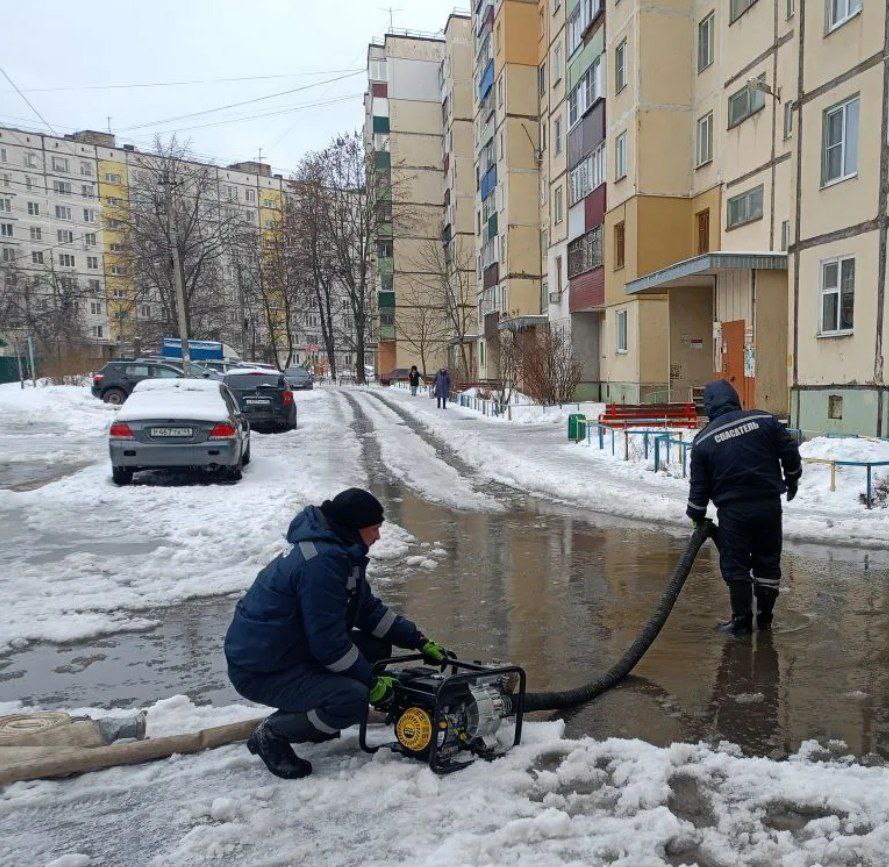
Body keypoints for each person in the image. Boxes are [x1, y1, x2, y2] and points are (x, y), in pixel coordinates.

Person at [224, 488, 452, 779]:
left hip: (287, 650)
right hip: (262, 669)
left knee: (375, 649)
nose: (378, 537)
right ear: (355, 528)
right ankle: (271, 734)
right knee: (352, 699)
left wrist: (418, 640)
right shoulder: (322, 563)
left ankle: (315, 719)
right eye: (374, 529)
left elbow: (368, 611)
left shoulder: (338, 550)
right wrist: (371, 684)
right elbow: (329, 645)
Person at [686, 380, 802, 635]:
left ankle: (741, 621)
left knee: (735, 564)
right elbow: (789, 450)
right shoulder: (764, 420)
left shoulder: (703, 440)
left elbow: (699, 487)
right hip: (768, 506)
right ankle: (765, 618)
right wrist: (792, 478)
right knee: (768, 562)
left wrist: (696, 515)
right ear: (735, 399)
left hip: (733, 513)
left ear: (709, 407)